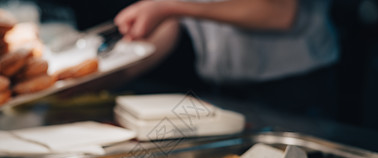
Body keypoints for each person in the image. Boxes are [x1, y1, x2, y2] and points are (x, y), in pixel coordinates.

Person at [114, 0, 340, 119]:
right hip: (224, 90)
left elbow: (281, 12)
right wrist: (93, 79)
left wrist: (170, 7)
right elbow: (167, 25)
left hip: (292, 86)